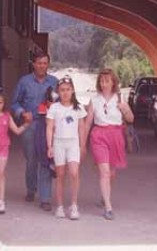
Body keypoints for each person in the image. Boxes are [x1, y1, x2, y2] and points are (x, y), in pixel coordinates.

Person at [85, 69, 134, 220]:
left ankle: (104, 195)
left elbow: (131, 119)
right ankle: (108, 207)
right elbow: (88, 123)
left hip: (116, 136)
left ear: (113, 82)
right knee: (104, 171)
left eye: (107, 81)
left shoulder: (120, 99)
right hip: (99, 136)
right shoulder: (94, 100)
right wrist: (82, 144)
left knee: (111, 173)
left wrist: (125, 111)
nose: (104, 84)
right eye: (102, 81)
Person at [11, 52, 58, 211]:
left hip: (47, 125)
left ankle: (45, 198)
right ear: (33, 64)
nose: (42, 66)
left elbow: (63, 102)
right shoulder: (24, 82)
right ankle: (31, 189)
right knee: (31, 160)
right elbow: (14, 104)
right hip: (30, 126)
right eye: (39, 63)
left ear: (48, 65)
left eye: (45, 63)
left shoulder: (54, 82)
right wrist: (22, 113)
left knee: (45, 160)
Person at [46, 76, 87, 220]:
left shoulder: (79, 108)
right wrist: (49, 145)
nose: (65, 93)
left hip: (73, 144)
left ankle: (74, 205)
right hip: (58, 144)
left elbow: (81, 127)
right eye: (62, 90)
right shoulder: (54, 108)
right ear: (58, 91)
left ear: (73, 91)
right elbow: (50, 127)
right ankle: (60, 206)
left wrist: (83, 145)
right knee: (60, 175)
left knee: (74, 173)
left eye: (68, 90)